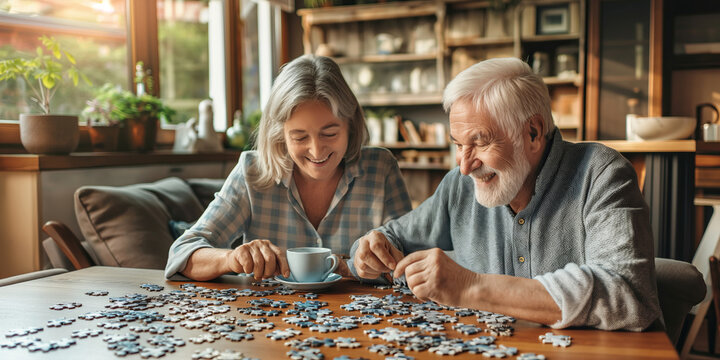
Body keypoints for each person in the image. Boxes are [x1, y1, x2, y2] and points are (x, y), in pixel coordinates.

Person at [350, 57, 661, 331]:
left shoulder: (603, 174)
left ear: (533, 133)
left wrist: (471, 287)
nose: (465, 166)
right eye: (458, 145)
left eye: (481, 142)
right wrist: (369, 250)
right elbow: (391, 239)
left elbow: (627, 294)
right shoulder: (458, 187)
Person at [165, 55, 412, 281]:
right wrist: (231, 258)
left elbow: (412, 266)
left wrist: (362, 263)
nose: (316, 151)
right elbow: (182, 254)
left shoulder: (381, 168)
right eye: (300, 137)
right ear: (280, 134)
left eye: (329, 133)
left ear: (351, 125)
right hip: (267, 325)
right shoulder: (252, 171)